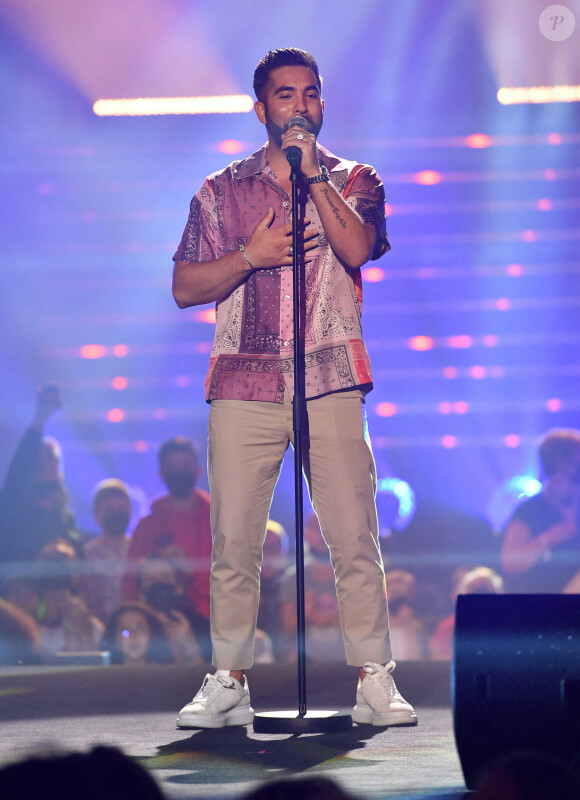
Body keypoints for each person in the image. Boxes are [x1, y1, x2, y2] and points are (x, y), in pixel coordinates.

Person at [171, 47, 417, 729]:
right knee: (235, 540)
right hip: (245, 378)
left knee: (352, 533)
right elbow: (184, 286)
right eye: (285, 96)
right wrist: (249, 257)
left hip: (330, 375)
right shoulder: (221, 192)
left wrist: (314, 176)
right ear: (261, 109)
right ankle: (228, 680)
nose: (300, 105)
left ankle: (375, 679)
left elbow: (358, 248)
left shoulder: (355, 178)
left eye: (310, 93)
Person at [122, 436, 212, 656]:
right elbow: (131, 580)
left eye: (185, 466)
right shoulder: (148, 526)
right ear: (162, 473)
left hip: (215, 627)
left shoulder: (221, 520)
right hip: (157, 627)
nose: (179, 472)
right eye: (173, 467)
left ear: (198, 470)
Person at [0, 384, 83, 588]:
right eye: (41, 457)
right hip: (19, 598)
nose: (47, 462)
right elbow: (20, 468)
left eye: (52, 457)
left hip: (55, 604)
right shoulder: (14, 507)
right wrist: (39, 420)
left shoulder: (65, 519)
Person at [500, 428, 580, 593]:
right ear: (562, 462)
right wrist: (548, 538)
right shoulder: (531, 510)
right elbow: (510, 564)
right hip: (545, 607)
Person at [82, 479, 132, 623]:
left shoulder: (140, 549)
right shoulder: (87, 555)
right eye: (109, 509)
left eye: (121, 508)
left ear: (130, 511)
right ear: (96, 515)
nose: (116, 513)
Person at [430, 566, 504, 661]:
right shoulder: (448, 628)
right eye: (475, 592)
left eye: (487, 592)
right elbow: (441, 664)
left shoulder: (507, 627)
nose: (481, 599)